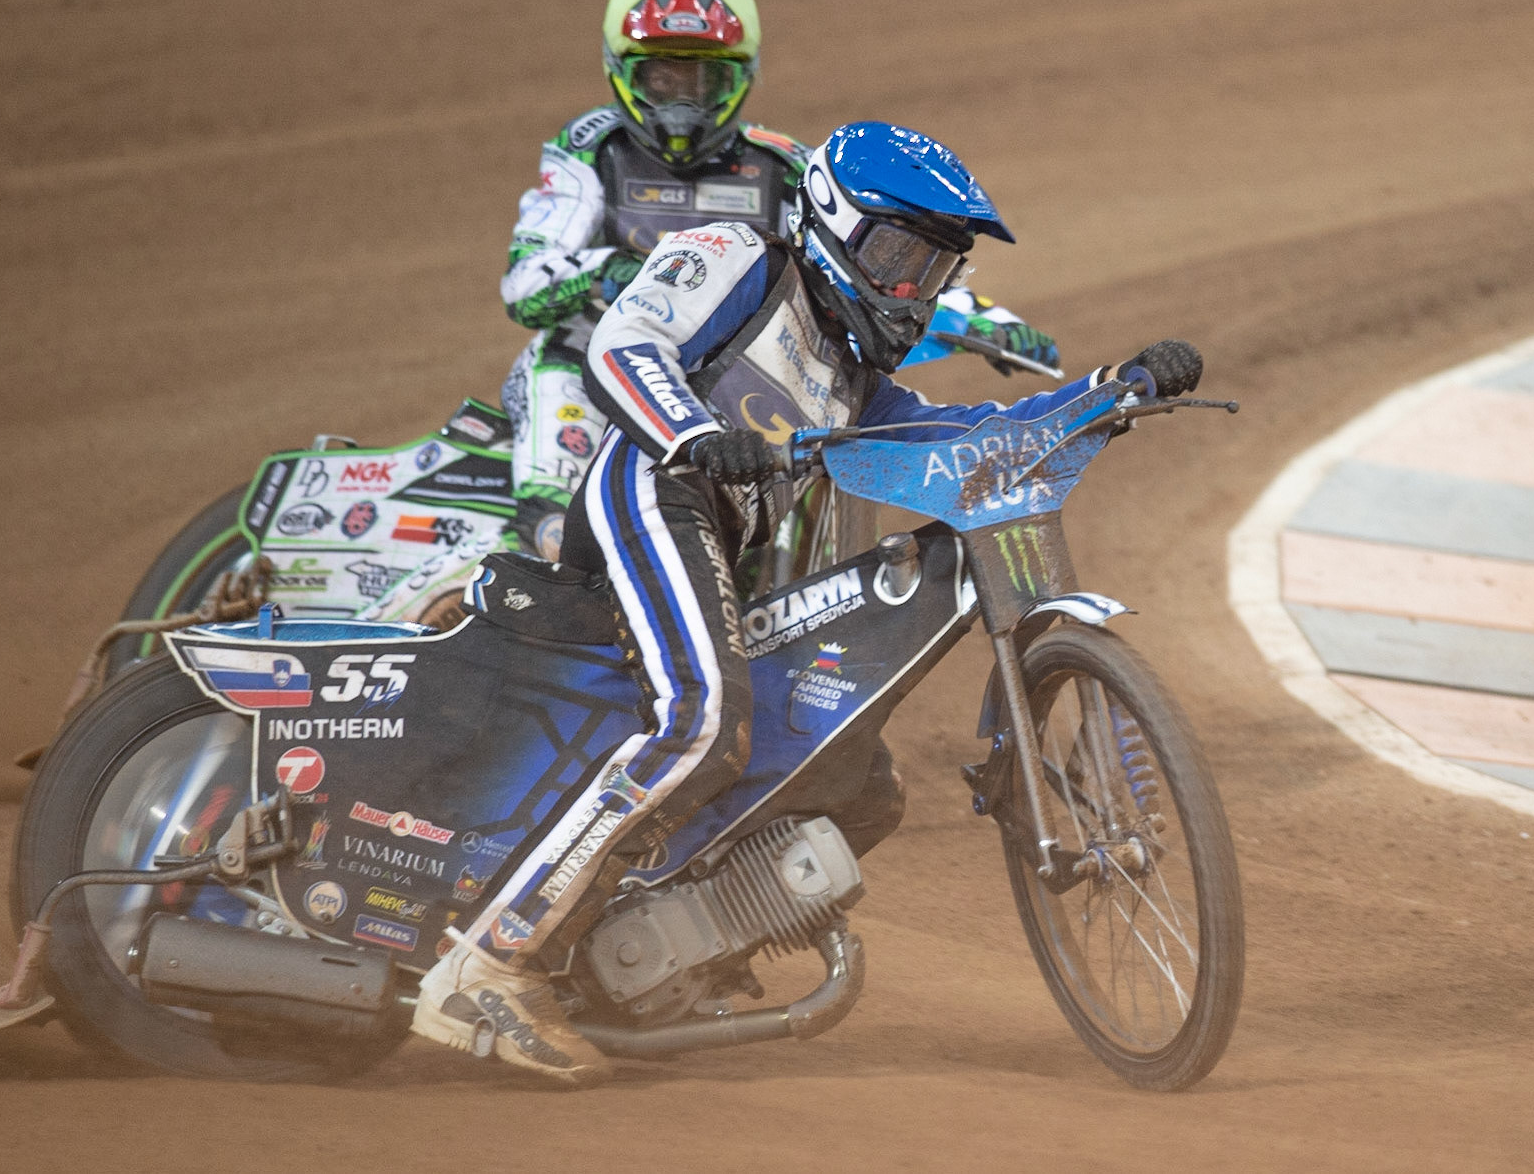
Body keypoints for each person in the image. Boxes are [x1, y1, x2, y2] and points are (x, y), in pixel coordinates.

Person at [415, 120, 1181, 1086]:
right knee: (704, 722)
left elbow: (973, 434)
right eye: (897, 255)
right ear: (828, 219)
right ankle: (488, 963)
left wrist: (1112, 391)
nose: (912, 288)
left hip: (721, 544)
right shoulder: (736, 254)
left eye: (933, 268)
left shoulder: (859, 380)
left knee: (858, 786)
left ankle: (653, 953)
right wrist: (693, 433)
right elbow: (623, 341)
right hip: (655, 489)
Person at [499, 0, 1059, 559]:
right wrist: (614, 270)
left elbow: (875, 252)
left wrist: (984, 321)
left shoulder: (781, 162)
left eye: (703, 80)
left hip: (720, 380)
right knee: (551, 525)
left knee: (782, 504)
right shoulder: (590, 152)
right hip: (590, 359)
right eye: (662, 77)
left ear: (741, 77)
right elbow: (525, 284)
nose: (682, 101)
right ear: (623, 72)